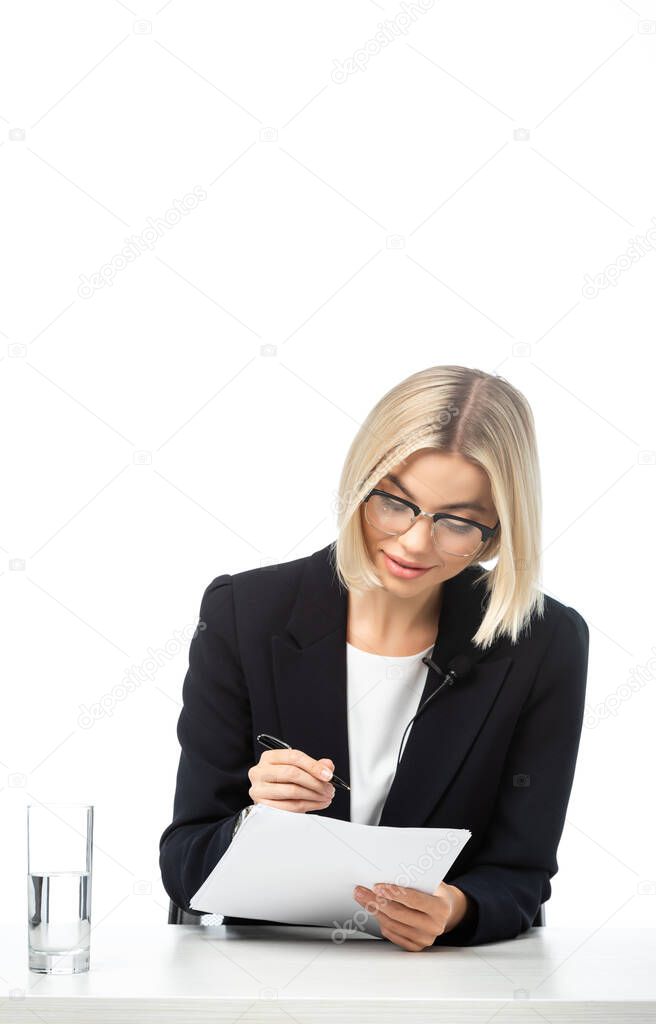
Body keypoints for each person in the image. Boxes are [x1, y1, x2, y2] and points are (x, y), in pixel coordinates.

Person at [159, 364, 590, 951]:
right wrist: (252, 819)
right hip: (266, 974)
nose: (414, 542)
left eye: (458, 521)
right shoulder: (245, 613)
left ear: (496, 533)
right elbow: (184, 864)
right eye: (394, 502)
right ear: (359, 483)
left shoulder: (544, 641)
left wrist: (453, 908)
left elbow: (521, 871)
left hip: (441, 981)